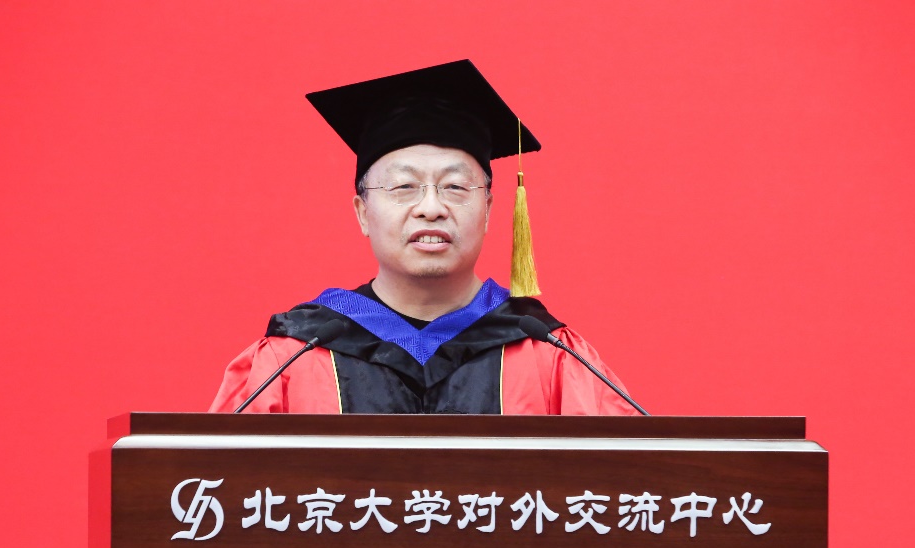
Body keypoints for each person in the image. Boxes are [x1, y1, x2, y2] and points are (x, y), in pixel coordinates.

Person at [209, 60, 640, 415]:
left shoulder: (550, 353)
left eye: (455, 187)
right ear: (363, 212)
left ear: (488, 210)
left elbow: (628, 480)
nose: (431, 207)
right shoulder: (293, 356)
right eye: (404, 187)